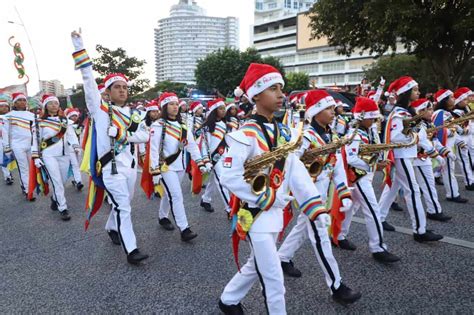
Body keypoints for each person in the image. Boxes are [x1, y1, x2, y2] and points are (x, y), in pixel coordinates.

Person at [218, 64, 360, 314]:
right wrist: (266, 196)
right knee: (273, 278)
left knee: (257, 263)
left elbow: (296, 172)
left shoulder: (285, 132)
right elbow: (228, 173)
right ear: (256, 95)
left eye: (281, 88)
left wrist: (315, 206)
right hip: (255, 214)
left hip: (274, 213)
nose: (281, 94)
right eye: (273, 88)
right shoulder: (246, 133)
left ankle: (228, 299)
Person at [71, 30, 150, 265]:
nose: (122, 90)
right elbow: (87, 78)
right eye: (117, 87)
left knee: (122, 204)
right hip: (110, 168)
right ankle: (132, 250)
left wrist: (125, 135)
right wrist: (78, 43)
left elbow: (144, 135)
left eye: (125, 87)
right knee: (124, 207)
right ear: (107, 91)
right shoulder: (100, 109)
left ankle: (110, 227)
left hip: (129, 167)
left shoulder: (134, 113)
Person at [277, 89, 361, 302]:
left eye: (333, 108)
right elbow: (290, 164)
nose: (334, 112)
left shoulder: (331, 135)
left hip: (323, 193)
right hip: (309, 195)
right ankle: (336, 285)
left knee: (303, 227)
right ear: (315, 112)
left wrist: (343, 191)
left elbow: (338, 165)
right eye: (329, 108)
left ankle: (282, 258)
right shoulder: (305, 137)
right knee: (321, 236)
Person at [378, 76, 443, 242]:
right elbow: (396, 137)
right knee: (412, 191)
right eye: (415, 90)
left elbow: (418, 135)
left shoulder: (407, 112)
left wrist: (431, 149)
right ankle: (419, 230)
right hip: (402, 155)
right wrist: (414, 139)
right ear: (406, 93)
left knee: (393, 187)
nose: (418, 92)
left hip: (407, 155)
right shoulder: (399, 113)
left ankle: (379, 217)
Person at [343, 97, 400, 262]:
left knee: (351, 208)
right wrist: (375, 165)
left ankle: (339, 235)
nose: (374, 120)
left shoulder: (370, 129)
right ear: (361, 117)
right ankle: (378, 247)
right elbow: (351, 158)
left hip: (366, 174)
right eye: (371, 117)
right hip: (359, 176)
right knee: (373, 211)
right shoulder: (354, 134)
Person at [149, 92, 207, 241]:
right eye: (171, 104)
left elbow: (192, 146)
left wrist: (200, 162)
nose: (175, 107)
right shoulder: (158, 125)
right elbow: (154, 150)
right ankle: (184, 229)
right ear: (164, 107)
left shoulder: (182, 126)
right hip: (165, 167)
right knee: (176, 196)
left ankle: (162, 217)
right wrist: (155, 172)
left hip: (180, 166)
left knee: (170, 194)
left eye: (176, 104)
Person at [32, 94, 79, 221]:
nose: (54, 105)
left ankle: (55, 198)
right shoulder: (39, 122)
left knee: (62, 181)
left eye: (56, 103)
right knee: (57, 182)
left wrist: (76, 146)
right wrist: (36, 156)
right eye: (51, 103)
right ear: (45, 106)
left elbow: (71, 135)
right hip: (49, 155)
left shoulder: (65, 121)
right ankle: (63, 208)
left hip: (64, 155)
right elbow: (35, 140)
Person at [432, 89, 469, 202]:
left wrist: (459, 141)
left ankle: (453, 193)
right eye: (451, 97)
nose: (454, 99)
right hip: (444, 146)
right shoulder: (439, 113)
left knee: (448, 170)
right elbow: (438, 131)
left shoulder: (448, 113)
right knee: (447, 171)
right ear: (445, 100)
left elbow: (452, 130)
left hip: (450, 145)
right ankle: (452, 194)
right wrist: (450, 132)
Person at [199, 98, 231, 214]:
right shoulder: (207, 126)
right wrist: (206, 160)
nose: (224, 111)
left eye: (224, 108)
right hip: (213, 158)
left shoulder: (224, 124)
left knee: (214, 179)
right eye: (221, 109)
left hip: (224, 155)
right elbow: (204, 144)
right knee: (222, 181)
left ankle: (206, 199)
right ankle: (229, 208)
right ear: (214, 111)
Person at [2, 92, 35, 200]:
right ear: (14, 103)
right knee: (23, 168)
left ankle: (25, 185)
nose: (22, 102)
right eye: (19, 100)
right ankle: (27, 190)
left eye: (24, 100)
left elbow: (35, 131)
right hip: (17, 145)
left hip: (30, 145)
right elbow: (5, 132)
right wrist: (7, 147)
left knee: (31, 168)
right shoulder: (8, 116)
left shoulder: (32, 115)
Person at [64, 107, 84, 191]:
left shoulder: (81, 126)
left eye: (76, 116)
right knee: (74, 164)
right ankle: (79, 181)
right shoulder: (67, 125)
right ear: (69, 117)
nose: (75, 118)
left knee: (77, 164)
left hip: (79, 148)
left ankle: (75, 179)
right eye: (72, 116)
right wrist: (73, 146)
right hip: (70, 148)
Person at [0, 96, 14, 185]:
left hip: (13, 141)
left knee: (12, 159)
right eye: (2, 106)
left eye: (6, 106)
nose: (4, 108)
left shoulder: (12, 117)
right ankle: (7, 176)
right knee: (3, 159)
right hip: (1, 142)